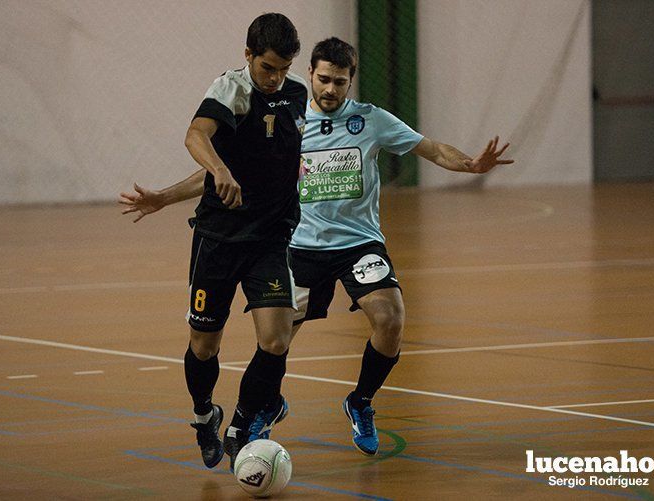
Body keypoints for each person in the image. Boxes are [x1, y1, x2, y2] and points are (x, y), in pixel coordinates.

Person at [121, 37, 512, 458]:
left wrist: (470, 164)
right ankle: (265, 405)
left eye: (339, 82)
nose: (330, 89)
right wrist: (163, 196)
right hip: (298, 246)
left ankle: (360, 402)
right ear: (309, 74)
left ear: (350, 81)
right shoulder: (287, 119)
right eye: (323, 79)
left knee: (391, 317)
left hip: (360, 244)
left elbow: (431, 148)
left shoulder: (371, 120)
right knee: (276, 340)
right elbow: (226, 174)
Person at [121, 13, 307, 470]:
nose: (275, 77)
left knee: (277, 339)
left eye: (283, 68)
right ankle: (205, 415)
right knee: (204, 346)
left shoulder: (298, 93)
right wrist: (212, 174)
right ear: (248, 56)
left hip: (270, 239)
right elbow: (196, 136)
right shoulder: (232, 90)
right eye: (267, 67)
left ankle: (244, 421)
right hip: (219, 239)